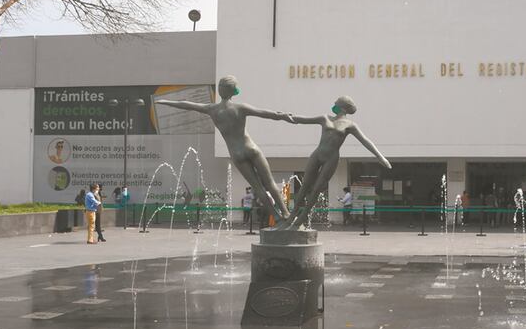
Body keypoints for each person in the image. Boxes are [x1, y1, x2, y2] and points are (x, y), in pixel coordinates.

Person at [156, 75, 295, 226]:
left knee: (257, 187)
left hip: (236, 154)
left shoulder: (212, 109)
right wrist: (283, 116)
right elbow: (265, 114)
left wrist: (166, 101)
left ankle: (277, 217)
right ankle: (286, 213)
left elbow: (187, 104)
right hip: (250, 148)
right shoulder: (240, 108)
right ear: (234, 91)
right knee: (270, 183)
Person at [279, 96, 391, 229]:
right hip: (317, 155)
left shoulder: (350, 125)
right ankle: (291, 217)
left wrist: (380, 157)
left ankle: (301, 219)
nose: (333, 105)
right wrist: (287, 116)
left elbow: (365, 141)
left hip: (331, 159)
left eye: (336, 103)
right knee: (304, 186)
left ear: (342, 107)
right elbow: (302, 119)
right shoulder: (324, 118)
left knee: (316, 190)